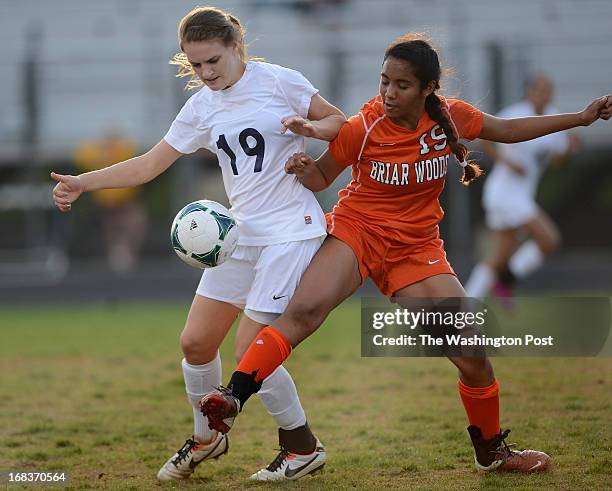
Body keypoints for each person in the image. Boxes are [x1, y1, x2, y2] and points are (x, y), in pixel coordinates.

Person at [199, 34, 612, 473]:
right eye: (384, 82)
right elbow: (322, 178)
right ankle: (232, 396)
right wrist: (304, 169)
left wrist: (581, 119)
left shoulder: (450, 118)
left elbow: (507, 131)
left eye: (401, 85)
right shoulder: (363, 125)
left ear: (429, 88)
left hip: (416, 249)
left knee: (471, 354)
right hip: (358, 233)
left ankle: (491, 453)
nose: (388, 93)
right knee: (304, 312)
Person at [50, 6, 345, 482]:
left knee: (253, 345)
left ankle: (302, 447)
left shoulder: (279, 81)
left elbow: (340, 124)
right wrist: (84, 182)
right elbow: (148, 165)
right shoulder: (201, 107)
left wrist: (311, 131)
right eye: (196, 65)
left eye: (213, 61)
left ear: (235, 46)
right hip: (241, 233)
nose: (206, 73)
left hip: (291, 230)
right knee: (195, 342)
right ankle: (208, 436)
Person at [465, 74, 578, 300]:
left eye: (549, 89)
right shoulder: (515, 114)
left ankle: (464, 306)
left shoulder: (553, 118)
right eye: (540, 89)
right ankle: (505, 280)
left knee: (497, 259)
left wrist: (569, 149)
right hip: (505, 194)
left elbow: (556, 160)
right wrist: (506, 161)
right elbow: (483, 138)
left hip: (521, 195)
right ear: (530, 91)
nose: (545, 94)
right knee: (549, 240)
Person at [73, 130, 148, 273]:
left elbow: (133, 157)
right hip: (106, 206)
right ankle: (117, 257)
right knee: (112, 231)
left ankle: (128, 254)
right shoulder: (95, 152)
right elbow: (81, 155)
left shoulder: (122, 151)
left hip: (125, 202)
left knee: (134, 225)